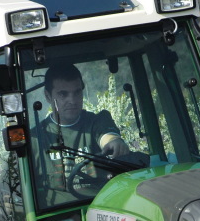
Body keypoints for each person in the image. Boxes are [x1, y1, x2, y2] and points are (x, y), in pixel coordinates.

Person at [32, 63, 129, 204]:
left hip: (103, 208)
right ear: (47, 96)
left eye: (77, 92)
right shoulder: (36, 139)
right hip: (59, 217)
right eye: (63, 94)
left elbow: (107, 136)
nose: (72, 100)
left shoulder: (96, 122)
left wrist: (113, 142)